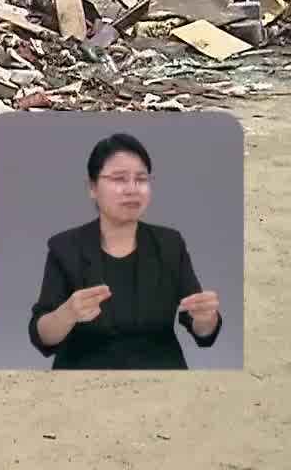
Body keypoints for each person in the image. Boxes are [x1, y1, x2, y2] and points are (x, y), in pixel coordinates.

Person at [28, 132, 223, 369]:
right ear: (92, 187)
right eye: (119, 179)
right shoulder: (65, 248)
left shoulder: (170, 244)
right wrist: (67, 314)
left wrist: (206, 318)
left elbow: (199, 327)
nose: (132, 189)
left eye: (141, 179)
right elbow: (42, 336)